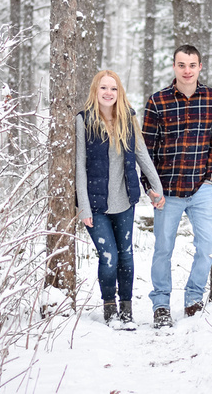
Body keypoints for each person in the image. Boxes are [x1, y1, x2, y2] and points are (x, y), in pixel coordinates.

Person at [76, 70, 165, 329]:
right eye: (103, 88)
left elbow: (142, 155)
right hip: (96, 203)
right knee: (109, 257)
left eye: (113, 89)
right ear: (95, 90)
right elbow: (79, 166)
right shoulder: (84, 120)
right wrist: (83, 206)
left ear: (119, 92)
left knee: (126, 255)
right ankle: (109, 309)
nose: (108, 93)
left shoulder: (129, 118)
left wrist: (156, 188)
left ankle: (126, 310)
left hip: (125, 200)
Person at [141, 45, 212, 328]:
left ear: (200, 67)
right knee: (163, 249)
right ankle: (161, 304)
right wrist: (151, 187)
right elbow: (146, 149)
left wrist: (210, 176)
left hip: (201, 187)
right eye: (181, 64)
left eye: (192, 64)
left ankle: (193, 298)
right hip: (167, 190)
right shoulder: (158, 101)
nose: (187, 70)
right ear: (173, 67)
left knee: (208, 245)